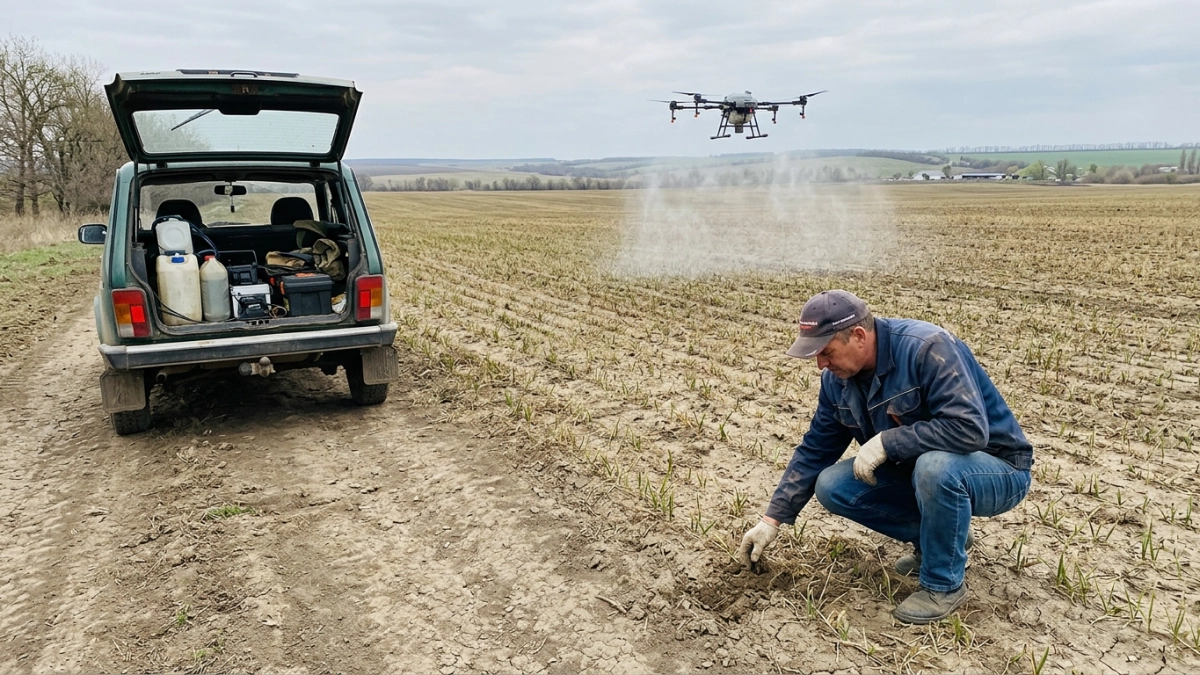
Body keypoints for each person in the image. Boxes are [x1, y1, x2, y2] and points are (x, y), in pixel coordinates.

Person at [737, 290, 1033, 624]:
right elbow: (816, 449)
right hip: (925, 471)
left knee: (935, 467)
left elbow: (969, 430)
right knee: (832, 485)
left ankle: (944, 584)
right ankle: (941, 539)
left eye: (826, 352)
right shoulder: (837, 381)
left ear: (859, 336)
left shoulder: (927, 348)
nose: (821, 364)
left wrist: (889, 442)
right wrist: (772, 520)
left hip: (998, 468)